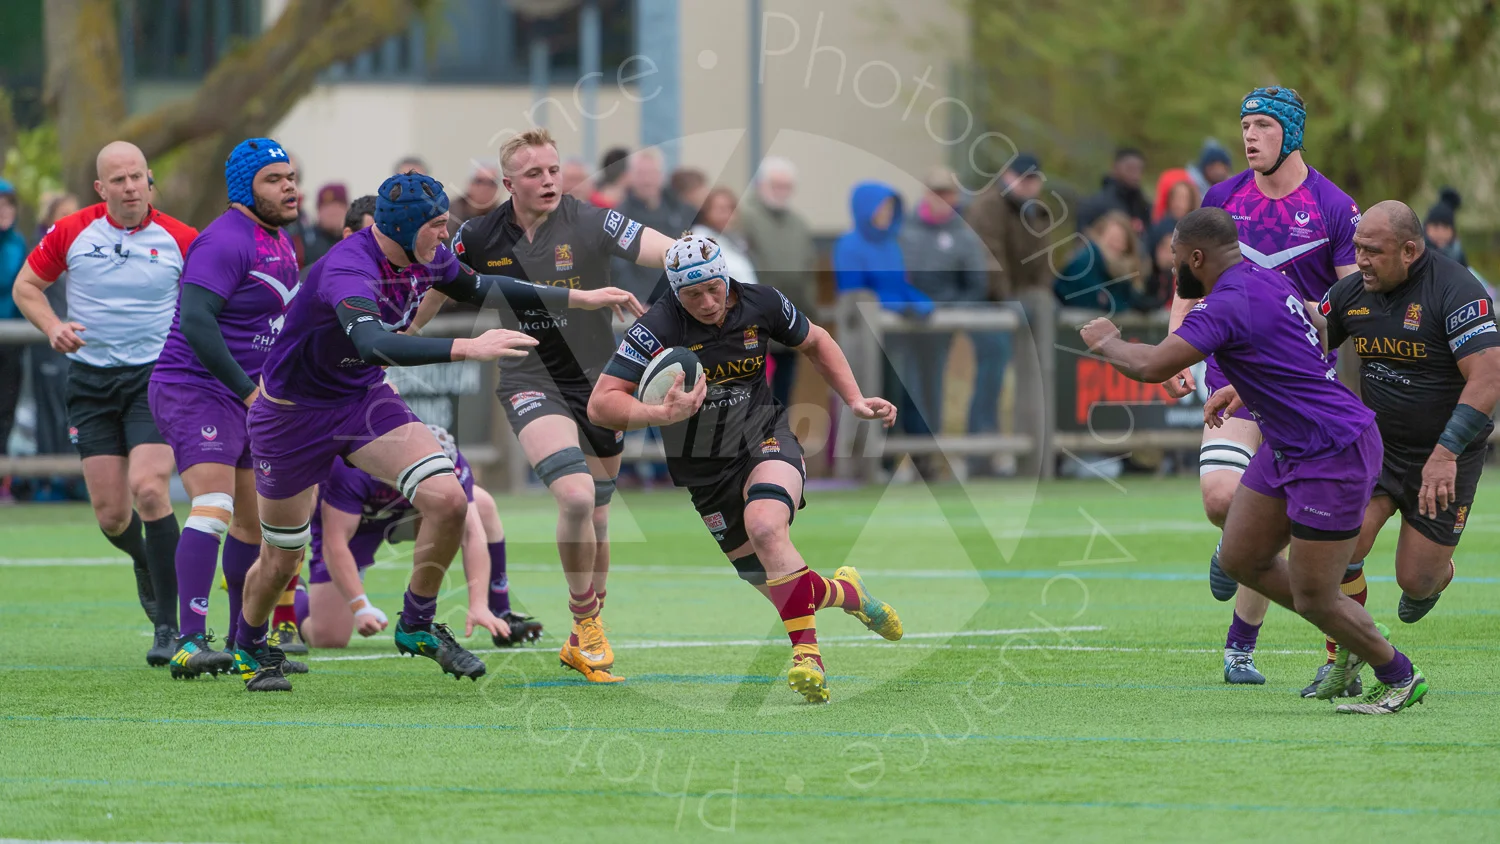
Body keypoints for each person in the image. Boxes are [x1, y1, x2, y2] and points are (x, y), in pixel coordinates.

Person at [233, 169, 639, 692]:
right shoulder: (348, 268)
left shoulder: (425, 254)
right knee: (281, 556)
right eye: (438, 226)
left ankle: (417, 624)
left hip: (361, 400)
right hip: (291, 416)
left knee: (449, 499)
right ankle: (247, 644)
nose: (446, 236)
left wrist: (578, 299)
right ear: (402, 228)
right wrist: (470, 347)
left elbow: (482, 285)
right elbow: (374, 344)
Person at [1085, 207, 1428, 715]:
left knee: (1316, 598)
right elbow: (1290, 358)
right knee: (1239, 558)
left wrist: (1107, 341)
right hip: (1291, 444)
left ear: (1196, 257)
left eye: (1179, 261)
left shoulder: (1225, 303)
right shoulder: (1267, 280)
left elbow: (1154, 364)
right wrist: (1243, 392)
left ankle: (1397, 674)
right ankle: (1345, 631)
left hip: (1330, 449)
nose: (1176, 271)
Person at [588, 233, 904, 703]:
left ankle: (808, 658)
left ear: (726, 277)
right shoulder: (656, 327)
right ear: (675, 292)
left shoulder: (762, 302)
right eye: (693, 295)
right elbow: (600, 404)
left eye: (714, 288)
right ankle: (848, 593)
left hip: (764, 434)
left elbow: (817, 341)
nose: (708, 301)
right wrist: (659, 415)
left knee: (766, 526)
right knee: (772, 580)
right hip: (701, 468)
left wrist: (854, 400)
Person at [434, 127, 670, 684]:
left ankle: (583, 635)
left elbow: (655, 246)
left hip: (599, 382)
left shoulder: (589, 219)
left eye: (554, 170)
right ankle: (586, 622)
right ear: (508, 182)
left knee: (601, 514)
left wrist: (691, 256)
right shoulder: (477, 234)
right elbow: (439, 286)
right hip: (528, 376)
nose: (548, 181)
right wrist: (401, 334)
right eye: (535, 173)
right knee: (576, 494)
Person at [1165, 86, 1362, 693]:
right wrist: (1178, 345)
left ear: (1292, 133)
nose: (1248, 136)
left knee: (1280, 527)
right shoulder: (1223, 199)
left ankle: (1240, 647)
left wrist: (1321, 313)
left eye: (1261, 126)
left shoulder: (1333, 206)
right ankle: (1237, 548)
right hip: (1233, 377)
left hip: (1303, 387)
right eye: (1244, 124)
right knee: (1222, 499)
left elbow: (1356, 302)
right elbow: (1189, 282)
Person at [12, 141, 196, 667]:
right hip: (90, 382)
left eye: (138, 177)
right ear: (101, 188)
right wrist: (53, 326)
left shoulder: (182, 238)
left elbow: (215, 299)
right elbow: (27, 286)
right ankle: (144, 559)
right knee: (113, 516)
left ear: (149, 178)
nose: (131, 187)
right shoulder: (71, 231)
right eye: (119, 180)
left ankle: (168, 626)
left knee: (150, 489)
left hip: (156, 379)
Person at [148, 137, 305, 679]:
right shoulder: (226, 239)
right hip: (196, 386)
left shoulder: (282, 241)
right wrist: (247, 390)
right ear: (245, 189)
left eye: (290, 177)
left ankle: (244, 642)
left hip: (244, 391)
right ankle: (190, 641)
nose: (289, 186)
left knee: (252, 526)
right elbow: (195, 321)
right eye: (274, 179)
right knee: (212, 505)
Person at [1312, 202, 1500, 624]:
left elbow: (1488, 379)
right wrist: (1242, 384)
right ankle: (1346, 651)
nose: (1360, 260)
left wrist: (1446, 454)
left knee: (1416, 579)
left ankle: (1437, 577)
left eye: (1373, 251)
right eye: (1358, 247)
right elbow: (1307, 340)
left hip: (1446, 455)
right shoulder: (1352, 291)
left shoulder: (1457, 289)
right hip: (1377, 448)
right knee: (1341, 544)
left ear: (1410, 251)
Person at [299, 424, 542, 649]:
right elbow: (335, 542)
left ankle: (500, 610)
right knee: (328, 637)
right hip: (359, 522)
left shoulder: (454, 463)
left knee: (482, 505)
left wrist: (477, 603)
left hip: (408, 512)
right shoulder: (356, 469)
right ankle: (294, 597)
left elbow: (472, 534)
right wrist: (359, 605)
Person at [964, 153, 1051, 476]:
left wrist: (1040, 295)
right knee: (993, 370)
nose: (1028, 184)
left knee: (1037, 376)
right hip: (986, 304)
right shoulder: (987, 206)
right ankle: (981, 453)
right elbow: (989, 258)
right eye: (1022, 177)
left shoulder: (1037, 210)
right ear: (1006, 175)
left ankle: (1033, 453)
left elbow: (1043, 260)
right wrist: (1010, 303)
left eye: (1033, 179)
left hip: (1022, 304)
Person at [896, 166, 987, 443]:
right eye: (936, 192)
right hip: (903, 321)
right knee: (903, 385)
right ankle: (903, 455)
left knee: (932, 385)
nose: (941, 198)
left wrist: (949, 310)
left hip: (939, 325)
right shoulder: (903, 230)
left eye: (946, 193)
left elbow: (976, 285)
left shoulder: (965, 236)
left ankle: (930, 452)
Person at [735, 157, 818, 408]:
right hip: (754, 324)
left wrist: (809, 314)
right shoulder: (744, 218)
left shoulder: (800, 224)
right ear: (761, 184)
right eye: (775, 185)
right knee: (754, 394)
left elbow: (807, 271)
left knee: (784, 393)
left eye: (786, 186)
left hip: (791, 321)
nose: (781, 191)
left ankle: (778, 442)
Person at [612, 149, 696, 302]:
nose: (647, 180)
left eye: (652, 173)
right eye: (641, 174)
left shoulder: (682, 211)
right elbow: (620, 266)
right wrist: (638, 300)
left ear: (662, 176)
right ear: (630, 176)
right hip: (643, 302)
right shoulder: (619, 216)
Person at [1052, 211, 1151, 313]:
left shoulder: (1124, 273)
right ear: (1101, 236)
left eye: (1120, 240)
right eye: (1112, 239)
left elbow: (1126, 301)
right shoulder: (1086, 261)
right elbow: (1092, 299)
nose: (1115, 244)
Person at [0, 181, 26, 478]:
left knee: (6, 408)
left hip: (13, 340)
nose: (4, 212)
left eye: (8, 205)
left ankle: (4, 478)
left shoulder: (18, 242)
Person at [691, 186, 758, 286]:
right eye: (721, 209)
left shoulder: (737, 240)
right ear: (706, 211)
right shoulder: (699, 240)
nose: (727, 215)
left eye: (731, 209)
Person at [1080, 148, 1151, 234]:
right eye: (1130, 168)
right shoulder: (1095, 204)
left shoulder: (1143, 206)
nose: (1135, 175)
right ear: (1115, 168)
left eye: (1139, 169)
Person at [446, 159, 501, 237]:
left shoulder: (504, 218)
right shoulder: (448, 215)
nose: (485, 187)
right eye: (479, 181)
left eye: (492, 182)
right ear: (470, 184)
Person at [300, 182, 347, 267]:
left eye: (338, 206)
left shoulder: (356, 240)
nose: (332, 212)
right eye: (326, 207)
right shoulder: (304, 242)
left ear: (347, 209)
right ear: (318, 211)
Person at [1423, 188, 1468, 268]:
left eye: (1445, 227)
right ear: (1427, 228)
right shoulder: (1421, 253)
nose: (1440, 232)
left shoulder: (1458, 254)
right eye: (1436, 226)